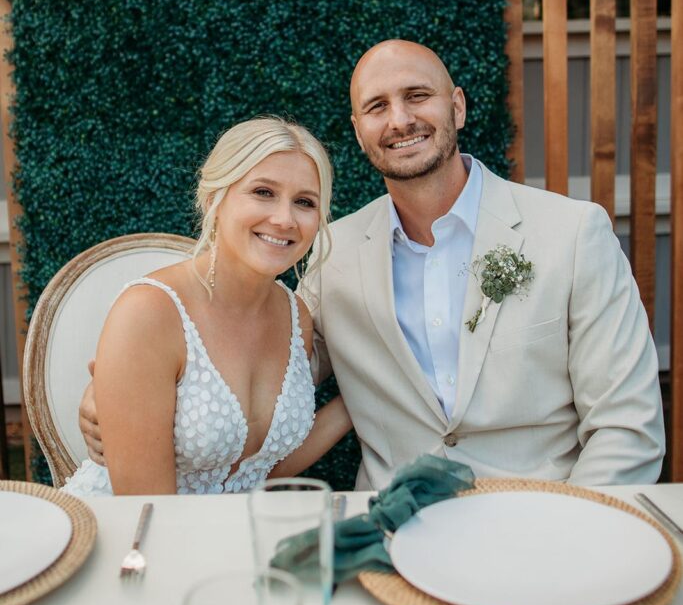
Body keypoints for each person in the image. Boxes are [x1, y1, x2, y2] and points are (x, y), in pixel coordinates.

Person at [80, 41, 665, 490]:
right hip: (389, 532)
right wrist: (124, 388)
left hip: (544, 515)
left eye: (418, 96)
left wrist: (580, 537)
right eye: (377, 107)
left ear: (456, 105)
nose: (400, 119)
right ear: (359, 129)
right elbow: (254, 364)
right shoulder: (332, 257)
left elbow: (627, 427)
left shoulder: (571, 233)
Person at [64, 116, 351, 496]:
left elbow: (259, 469)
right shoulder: (148, 314)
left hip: (231, 532)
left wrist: (358, 401)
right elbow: (146, 506)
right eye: (263, 192)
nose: (284, 219)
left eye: (304, 202)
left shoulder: (295, 315)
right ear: (215, 198)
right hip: (132, 537)